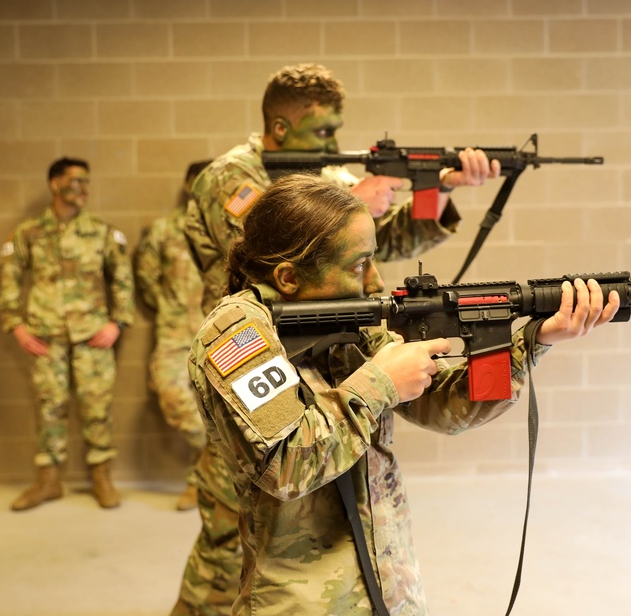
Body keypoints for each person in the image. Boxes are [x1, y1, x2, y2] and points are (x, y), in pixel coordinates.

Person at [188, 175, 620, 615]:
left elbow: (443, 410)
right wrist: (380, 382)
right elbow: (287, 465)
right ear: (288, 276)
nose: (375, 280)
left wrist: (534, 340)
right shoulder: (236, 335)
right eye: (359, 265)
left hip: (387, 585)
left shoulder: (352, 319)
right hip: (306, 601)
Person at [175, 63, 500, 615]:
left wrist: (433, 189)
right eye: (325, 132)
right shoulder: (232, 178)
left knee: (331, 519)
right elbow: (272, 240)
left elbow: (385, 243)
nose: (335, 145)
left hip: (321, 336)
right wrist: (353, 198)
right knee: (235, 537)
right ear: (279, 128)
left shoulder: (325, 186)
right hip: (257, 357)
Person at [0, 157, 135, 511]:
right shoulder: (28, 232)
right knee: (49, 408)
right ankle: (48, 480)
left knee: (96, 407)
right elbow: (10, 277)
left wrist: (116, 323)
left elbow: (122, 279)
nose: (83, 189)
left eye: (87, 183)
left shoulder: (103, 232)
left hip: (92, 335)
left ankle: (101, 475)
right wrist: (16, 326)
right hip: (46, 337)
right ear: (55, 184)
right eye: (76, 182)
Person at [135, 161, 210, 511]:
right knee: (173, 397)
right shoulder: (163, 230)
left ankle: (204, 484)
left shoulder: (232, 229)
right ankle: (214, 467)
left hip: (225, 333)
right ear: (186, 185)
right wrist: (173, 309)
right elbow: (147, 280)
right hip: (175, 332)